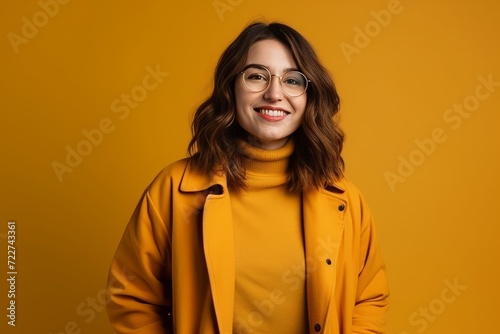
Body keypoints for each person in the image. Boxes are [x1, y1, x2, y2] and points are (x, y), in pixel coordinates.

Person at [106, 21, 389, 334]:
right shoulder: (174, 189)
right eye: (257, 76)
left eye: (293, 80)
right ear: (230, 87)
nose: (274, 93)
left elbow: (370, 298)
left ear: (309, 96)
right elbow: (131, 296)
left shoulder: (345, 199)